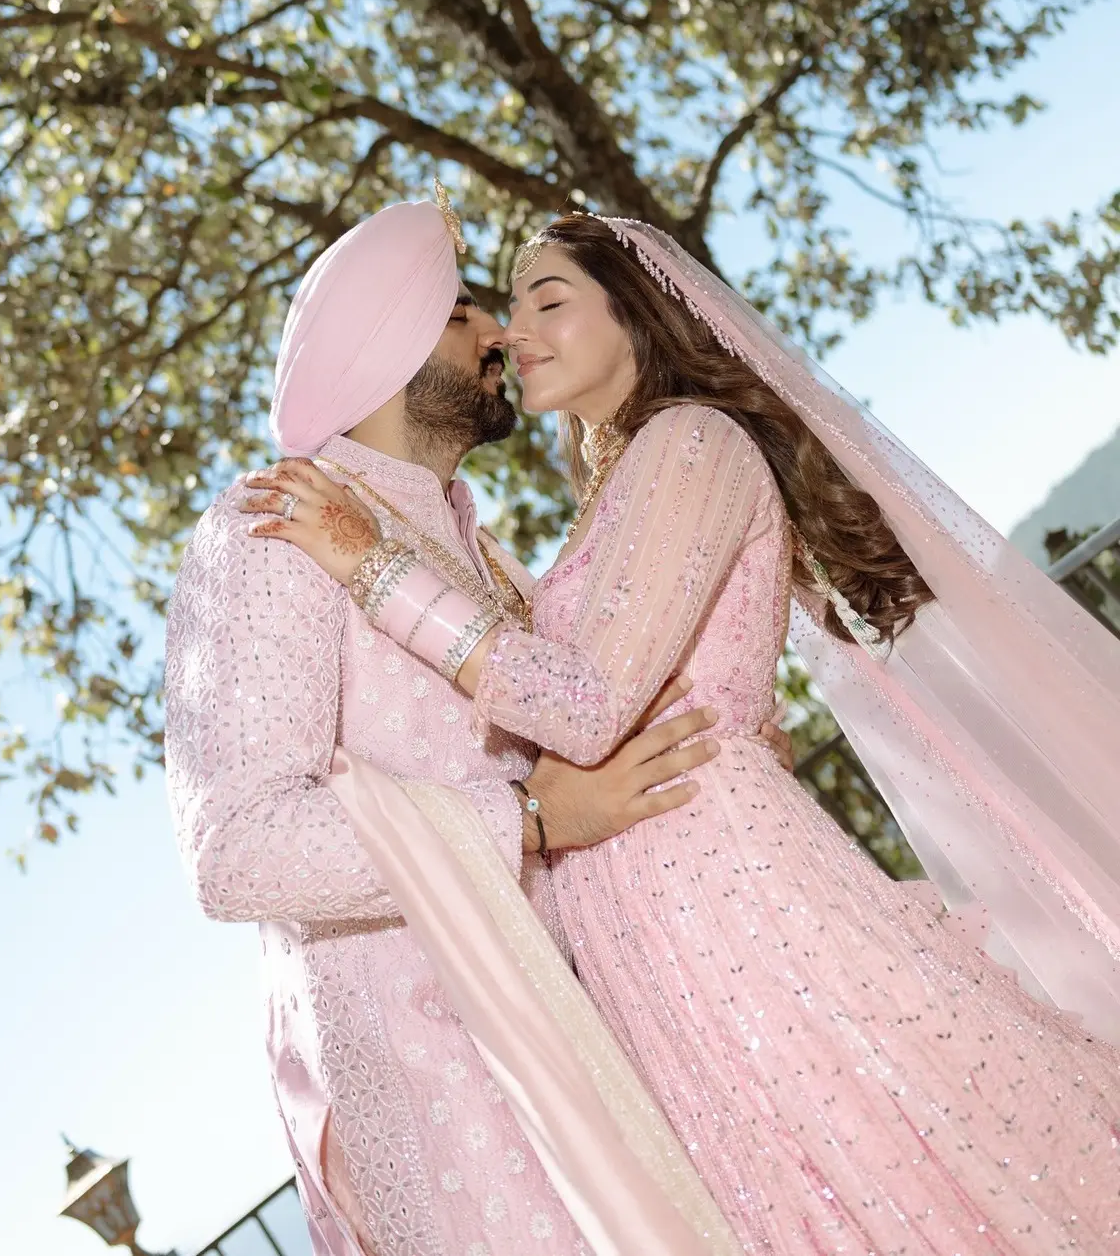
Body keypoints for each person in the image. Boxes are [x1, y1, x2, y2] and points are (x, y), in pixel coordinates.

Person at [252, 210, 1120, 1255]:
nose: (514, 331)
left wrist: (374, 569)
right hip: (651, 934)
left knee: (892, 1154)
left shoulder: (692, 439)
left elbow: (580, 703)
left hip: (732, 903)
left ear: (633, 312)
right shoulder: (615, 492)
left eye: (547, 300)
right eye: (504, 304)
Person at [164, 198, 792, 1256]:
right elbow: (237, 851)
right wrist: (528, 821)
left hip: (593, 1036)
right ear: (390, 346)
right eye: (462, 311)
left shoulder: (469, 542)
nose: (499, 332)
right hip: (443, 1083)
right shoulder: (275, 522)